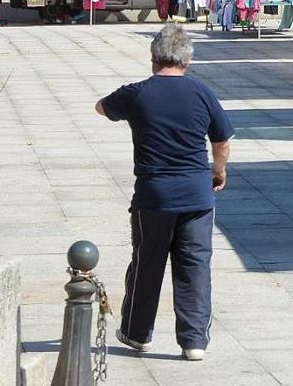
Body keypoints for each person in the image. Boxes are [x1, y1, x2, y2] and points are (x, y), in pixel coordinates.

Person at [96, 26, 233, 361]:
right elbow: (222, 141)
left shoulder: (137, 93)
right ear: (188, 58)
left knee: (147, 263)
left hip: (154, 195)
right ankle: (194, 341)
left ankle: (137, 333)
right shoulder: (203, 93)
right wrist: (218, 170)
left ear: (153, 56)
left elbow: (101, 107)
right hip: (197, 195)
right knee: (195, 267)